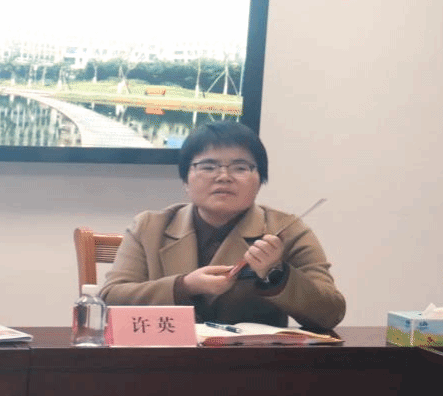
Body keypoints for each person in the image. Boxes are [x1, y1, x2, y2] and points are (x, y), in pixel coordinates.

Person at [99, 121, 345, 330]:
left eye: (240, 168)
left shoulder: (287, 229)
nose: (224, 177)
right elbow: (110, 299)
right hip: (163, 361)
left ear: (260, 181)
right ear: (185, 180)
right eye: (208, 167)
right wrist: (184, 286)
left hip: (253, 365)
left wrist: (276, 274)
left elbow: (330, 313)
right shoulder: (149, 227)